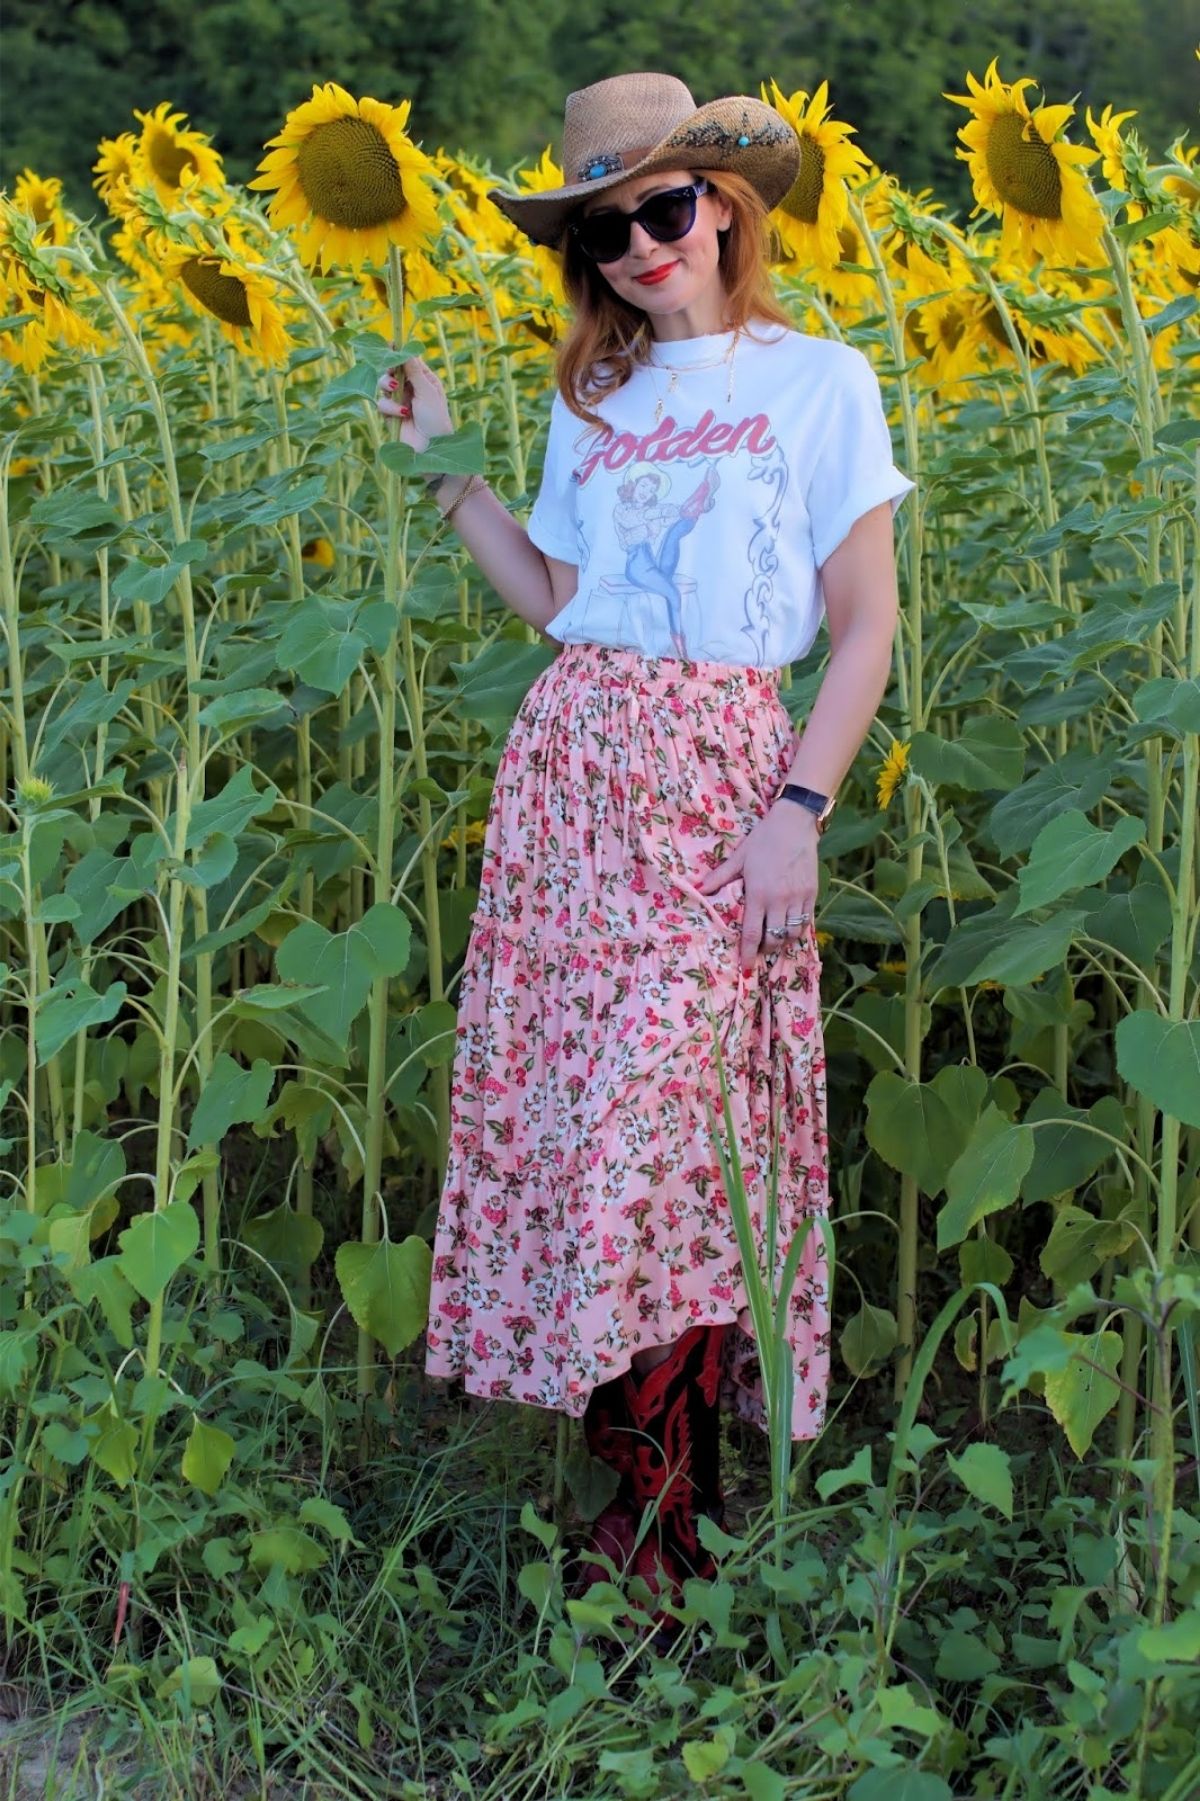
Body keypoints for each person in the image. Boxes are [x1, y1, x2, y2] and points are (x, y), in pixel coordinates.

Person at [376, 71, 916, 1634]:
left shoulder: (822, 380)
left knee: (672, 1134)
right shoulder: (591, 394)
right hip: (572, 781)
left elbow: (867, 620)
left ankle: (667, 1523)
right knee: (591, 1133)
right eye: (603, 227)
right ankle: (644, 1520)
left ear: (728, 206)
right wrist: (453, 469)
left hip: (723, 784)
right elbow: (555, 597)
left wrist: (798, 812)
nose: (636, 244)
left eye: (663, 209)